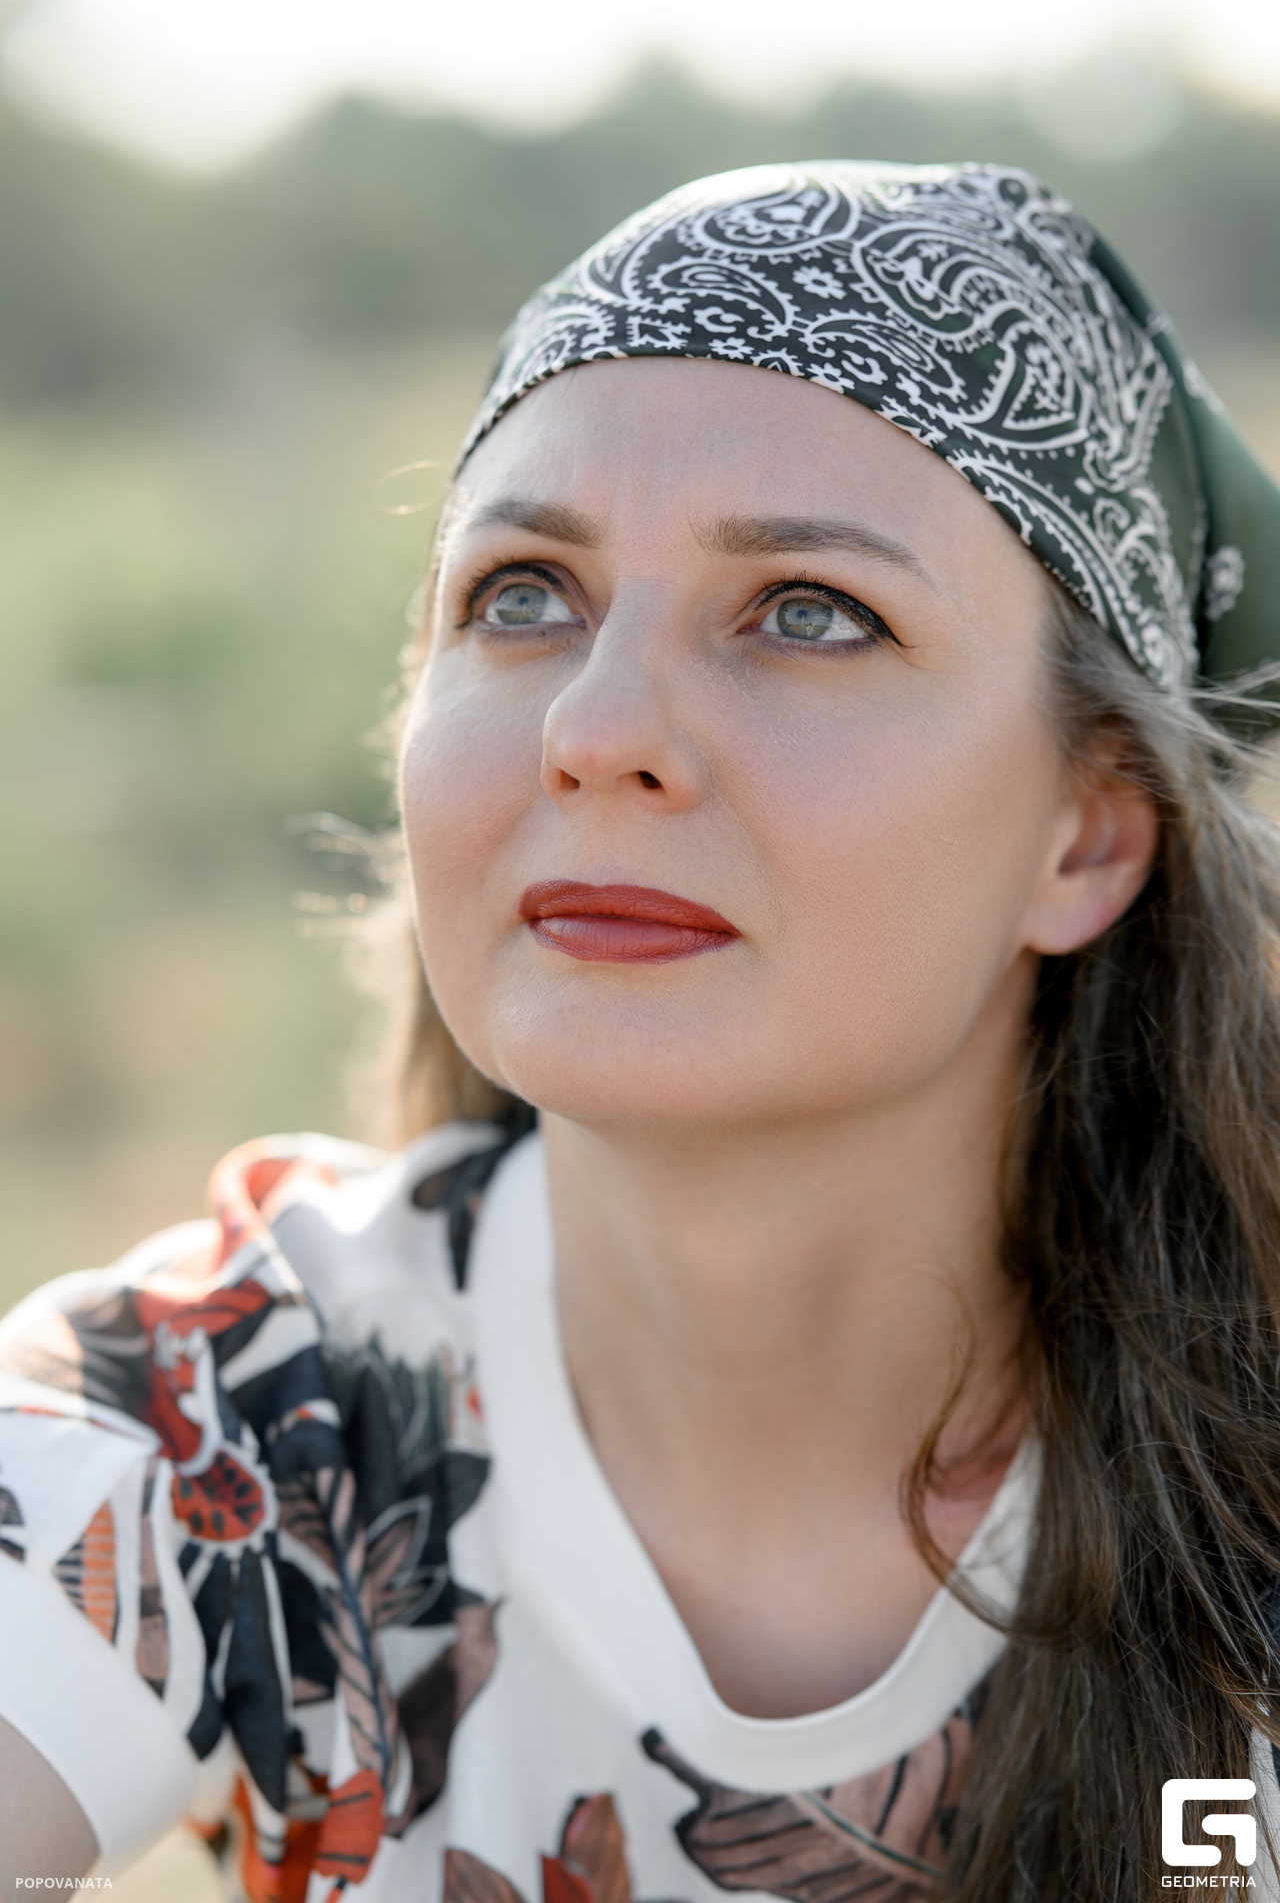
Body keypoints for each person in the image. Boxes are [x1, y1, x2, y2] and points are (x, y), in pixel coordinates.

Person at [3, 160, 1280, 1903]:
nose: (598, 731)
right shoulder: (216, 1428)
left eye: (811, 612)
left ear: (1090, 835)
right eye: (523, 594)